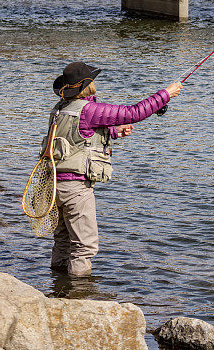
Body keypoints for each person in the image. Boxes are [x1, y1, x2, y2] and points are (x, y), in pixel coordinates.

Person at [48, 61, 181, 276]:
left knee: (62, 241)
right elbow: (133, 113)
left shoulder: (61, 109)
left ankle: (57, 288)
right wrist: (165, 94)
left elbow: (76, 138)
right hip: (76, 188)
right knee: (84, 247)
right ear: (88, 86)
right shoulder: (89, 109)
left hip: (54, 185)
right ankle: (79, 294)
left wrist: (113, 132)